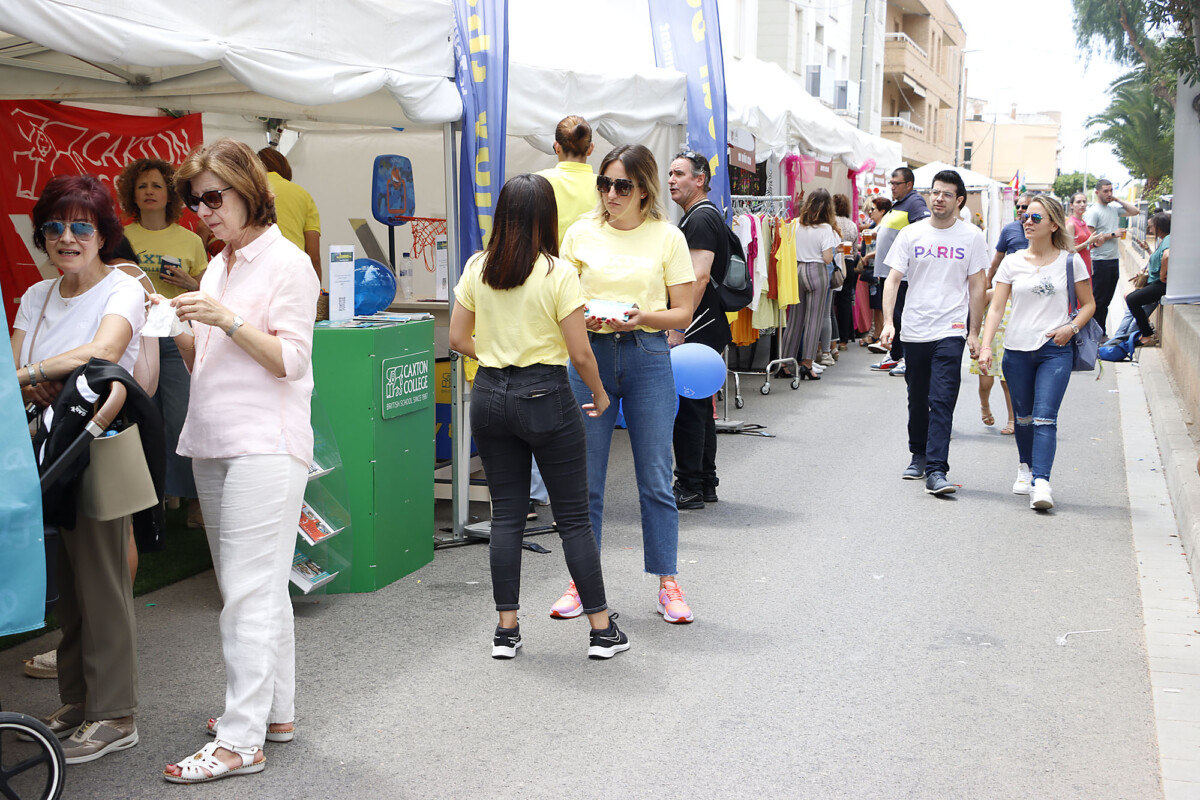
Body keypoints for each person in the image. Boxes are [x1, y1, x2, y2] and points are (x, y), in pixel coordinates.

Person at [162, 138, 320, 784]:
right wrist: (178, 331)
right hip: (217, 437)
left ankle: (240, 738)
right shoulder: (217, 265)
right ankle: (272, 711)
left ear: (247, 189)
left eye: (212, 197)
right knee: (252, 587)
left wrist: (225, 321)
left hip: (263, 442)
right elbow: (210, 363)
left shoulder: (286, 264)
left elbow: (292, 360)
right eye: (194, 200)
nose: (202, 211)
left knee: (249, 593)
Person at [449, 173, 628, 659]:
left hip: (488, 394)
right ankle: (600, 630)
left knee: (506, 515)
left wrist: (497, 353)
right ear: (547, 218)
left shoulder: (478, 266)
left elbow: (457, 338)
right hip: (545, 393)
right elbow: (581, 352)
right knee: (573, 519)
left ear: (503, 215)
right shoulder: (557, 273)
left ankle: (506, 631)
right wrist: (598, 392)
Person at [13, 174, 148, 764]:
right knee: (68, 584)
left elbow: (102, 356)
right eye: (55, 227)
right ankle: (76, 700)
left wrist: (34, 374)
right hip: (48, 447)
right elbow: (24, 365)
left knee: (103, 584)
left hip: (101, 443)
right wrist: (38, 374)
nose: (67, 238)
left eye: (81, 226)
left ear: (102, 234)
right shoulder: (34, 296)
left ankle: (116, 713)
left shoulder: (123, 289)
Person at [556, 143, 696, 624]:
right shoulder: (579, 233)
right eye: (604, 183)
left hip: (648, 355)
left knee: (655, 477)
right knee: (585, 481)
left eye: (622, 185)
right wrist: (583, 319)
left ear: (644, 189)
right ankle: (581, 582)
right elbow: (561, 298)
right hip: (589, 356)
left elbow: (683, 312)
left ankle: (667, 582)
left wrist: (641, 318)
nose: (610, 194)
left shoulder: (667, 237)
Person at [980, 195, 1097, 510]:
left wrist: (1070, 328)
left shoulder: (1070, 261)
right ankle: (1025, 466)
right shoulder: (1012, 262)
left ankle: (1041, 482)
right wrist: (987, 345)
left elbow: (1089, 305)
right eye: (1026, 217)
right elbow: (996, 308)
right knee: (1025, 417)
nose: (1027, 222)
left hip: (1054, 349)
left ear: (1054, 224)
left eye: (1035, 218)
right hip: (1016, 350)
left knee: (1045, 418)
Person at [880, 169, 988, 496]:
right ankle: (919, 453)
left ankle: (937, 470)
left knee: (942, 400)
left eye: (946, 194)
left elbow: (977, 285)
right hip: (914, 329)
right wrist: (888, 323)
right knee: (918, 398)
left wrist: (974, 331)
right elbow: (893, 279)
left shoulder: (971, 237)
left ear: (959, 201)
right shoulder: (911, 234)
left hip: (951, 329)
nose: (939, 198)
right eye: (935, 192)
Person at [117, 158, 209, 528]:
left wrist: (189, 282)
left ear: (170, 194)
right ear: (132, 196)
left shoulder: (190, 239)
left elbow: (211, 291)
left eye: (157, 185)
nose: (150, 192)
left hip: (177, 335)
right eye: (142, 187)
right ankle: (148, 501)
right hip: (133, 337)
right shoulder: (121, 237)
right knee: (139, 418)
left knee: (182, 416)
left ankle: (191, 500)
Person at [529, 115, 599, 520]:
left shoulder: (539, 183)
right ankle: (576, 487)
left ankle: (539, 491)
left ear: (555, 146)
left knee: (543, 388)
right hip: (593, 299)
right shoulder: (605, 188)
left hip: (543, 290)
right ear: (590, 149)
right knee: (586, 394)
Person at [666, 149, 733, 509]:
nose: (672, 180)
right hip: (705, 325)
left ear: (700, 179)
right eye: (671, 174)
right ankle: (705, 481)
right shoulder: (703, 216)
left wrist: (679, 325)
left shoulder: (700, 219)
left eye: (679, 174)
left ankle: (690, 486)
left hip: (696, 327)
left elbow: (699, 275)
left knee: (689, 410)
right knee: (700, 407)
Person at [870, 167, 930, 377]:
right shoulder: (900, 204)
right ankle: (895, 355)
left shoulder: (915, 203)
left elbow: (923, 232)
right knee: (893, 316)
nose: (892, 187)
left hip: (902, 274)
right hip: (888, 272)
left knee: (901, 316)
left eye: (896, 183)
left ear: (909, 185)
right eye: (891, 183)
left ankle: (906, 357)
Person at [780, 188, 839, 380]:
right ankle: (807, 364)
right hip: (816, 272)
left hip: (797, 270)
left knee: (794, 320)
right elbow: (827, 258)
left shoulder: (795, 224)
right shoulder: (825, 229)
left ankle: (785, 364)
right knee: (814, 319)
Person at [1083, 178, 1140, 333]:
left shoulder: (1113, 208)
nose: (1109, 194)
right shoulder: (1093, 212)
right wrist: (1112, 234)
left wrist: (1118, 199)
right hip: (1099, 260)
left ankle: (1101, 332)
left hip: (1113, 259)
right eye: (1105, 191)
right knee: (1099, 300)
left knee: (1107, 300)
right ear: (1097, 193)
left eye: (1111, 191)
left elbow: (1135, 211)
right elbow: (1089, 238)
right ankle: (1096, 334)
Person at [257, 147, 322, 279]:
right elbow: (313, 256)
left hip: (255, 273)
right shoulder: (302, 195)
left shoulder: (246, 193)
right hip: (293, 273)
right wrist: (316, 292)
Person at [1125, 212, 1171, 345]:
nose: (1150, 230)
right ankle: (1142, 329)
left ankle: (1147, 335)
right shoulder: (1164, 240)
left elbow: (1167, 255)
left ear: (1159, 227)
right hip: (1156, 282)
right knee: (1130, 296)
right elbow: (1159, 258)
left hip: (1161, 283)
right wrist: (1149, 251)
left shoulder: (1168, 239)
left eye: (1152, 227)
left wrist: (1162, 275)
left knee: (1132, 299)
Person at [859, 196, 892, 347]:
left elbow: (884, 249)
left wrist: (867, 255)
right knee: (876, 305)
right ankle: (877, 334)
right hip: (872, 269)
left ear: (883, 211)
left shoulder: (883, 228)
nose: (870, 213)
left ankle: (879, 335)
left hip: (878, 270)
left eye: (873, 209)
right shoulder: (875, 226)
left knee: (879, 305)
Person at [832, 193, 860, 351]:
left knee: (830, 304)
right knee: (845, 302)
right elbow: (855, 250)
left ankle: (831, 342)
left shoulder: (831, 223)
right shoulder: (852, 224)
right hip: (849, 263)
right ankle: (844, 339)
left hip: (836, 261)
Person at [1066, 192, 1099, 274]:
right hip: (1076, 266)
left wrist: (1094, 244)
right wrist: (1088, 242)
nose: (1082, 204)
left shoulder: (1083, 222)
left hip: (1086, 264)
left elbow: (1086, 247)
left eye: (1084, 202)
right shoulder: (1070, 224)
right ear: (1071, 205)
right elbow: (1069, 250)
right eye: (1078, 202)